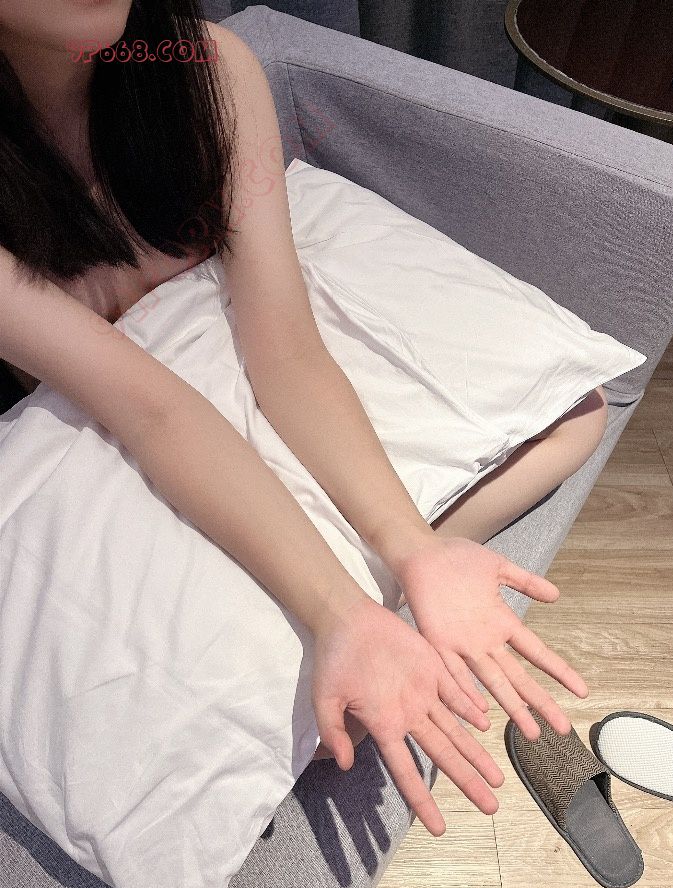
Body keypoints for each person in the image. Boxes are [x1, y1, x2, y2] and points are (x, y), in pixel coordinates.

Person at [0, 0, 606, 839]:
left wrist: (412, 547)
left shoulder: (206, 70)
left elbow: (282, 345)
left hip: (232, 356)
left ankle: (372, 598)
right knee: (309, 715)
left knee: (575, 414)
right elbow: (151, 411)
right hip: (100, 431)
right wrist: (339, 612)